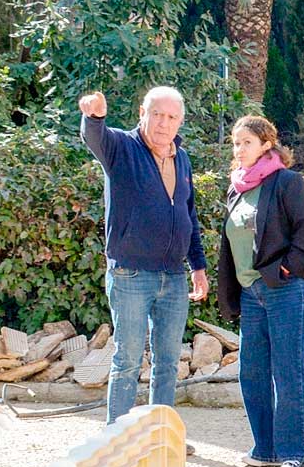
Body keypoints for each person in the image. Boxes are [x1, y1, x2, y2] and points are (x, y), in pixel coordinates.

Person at [78, 88, 208, 432]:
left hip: (174, 276)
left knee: (167, 363)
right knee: (127, 359)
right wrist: (94, 116)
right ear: (142, 113)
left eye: (172, 117)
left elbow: (188, 214)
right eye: (158, 114)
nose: (164, 123)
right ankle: (115, 438)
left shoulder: (182, 157)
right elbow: (95, 138)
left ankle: (160, 434)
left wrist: (198, 266)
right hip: (130, 274)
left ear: (180, 121)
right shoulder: (121, 147)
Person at [216, 115, 304, 467]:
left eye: (246, 142)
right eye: (235, 142)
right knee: (253, 370)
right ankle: (268, 449)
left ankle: (298, 454)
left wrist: (286, 270)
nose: (238, 149)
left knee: (288, 370)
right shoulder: (237, 188)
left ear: (266, 145)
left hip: (287, 289)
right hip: (251, 294)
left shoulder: (287, 182)